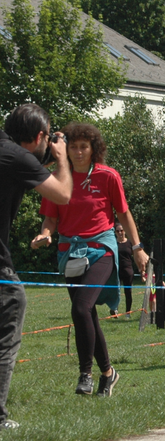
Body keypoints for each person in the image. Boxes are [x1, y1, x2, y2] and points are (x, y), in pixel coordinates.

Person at [32, 122, 148, 397]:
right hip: (69, 252)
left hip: (102, 248)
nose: (79, 151)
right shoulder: (56, 178)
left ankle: (85, 374)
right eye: (73, 146)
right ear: (65, 149)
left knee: (81, 308)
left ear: (94, 148)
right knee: (87, 314)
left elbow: (123, 213)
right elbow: (50, 219)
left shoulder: (108, 176)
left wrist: (137, 248)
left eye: (84, 146)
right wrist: (44, 235)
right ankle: (108, 373)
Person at [0, 104, 72, 430]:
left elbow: (31, 167)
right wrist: (62, 158)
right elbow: (63, 194)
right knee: (12, 308)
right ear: (41, 135)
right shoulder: (17, 156)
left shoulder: (7, 151)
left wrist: (47, 156)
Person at [112, 222, 134, 317]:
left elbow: (136, 255)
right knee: (116, 291)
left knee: (128, 292)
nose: (120, 233)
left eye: (122, 230)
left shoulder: (129, 243)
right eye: (118, 231)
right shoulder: (114, 243)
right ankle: (115, 310)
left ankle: (127, 313)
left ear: (125, 231)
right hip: (116, 271)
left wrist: (142, 270)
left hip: (128, 271)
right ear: (115, 232)